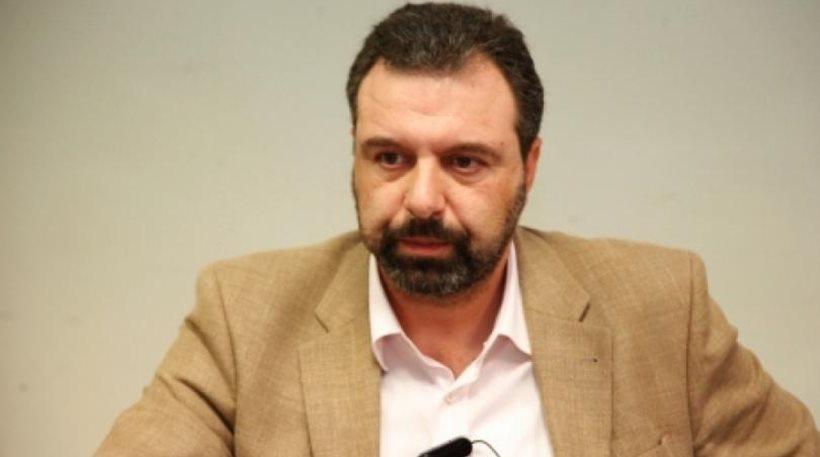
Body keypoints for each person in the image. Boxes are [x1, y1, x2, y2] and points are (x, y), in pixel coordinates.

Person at [96, 3, 818, 456]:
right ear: (354, 153)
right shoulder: (244, 316)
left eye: (464, 161)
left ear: (529, 165)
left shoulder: (662, 306)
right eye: (390, 157)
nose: (421, 199)